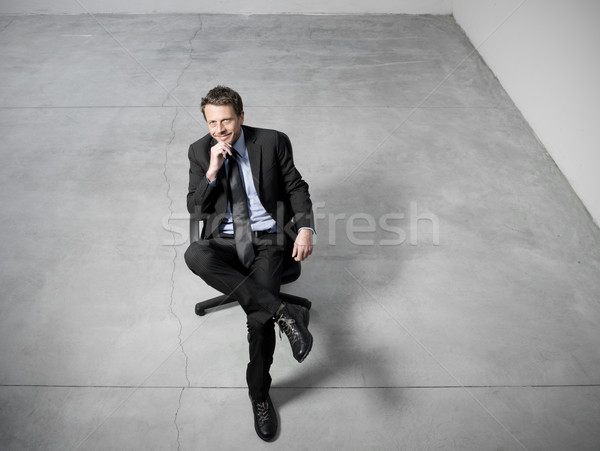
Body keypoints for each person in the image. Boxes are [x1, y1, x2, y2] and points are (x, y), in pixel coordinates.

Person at [184, 86, 315, 442]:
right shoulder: (199, 151)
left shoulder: (272, 141)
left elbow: (296, 186)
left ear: (241, 116)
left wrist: (304, 227)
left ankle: (259, 394)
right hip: (225, 240)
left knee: (258, 321)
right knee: (194, 253)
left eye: (226, 119)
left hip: (268, 239)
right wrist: (211, 172)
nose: (220, 128)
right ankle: (284, 312)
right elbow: (195, 210)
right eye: (213, 122)